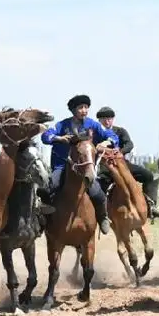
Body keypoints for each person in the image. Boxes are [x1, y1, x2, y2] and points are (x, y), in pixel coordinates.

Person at [40, 94, 119, 234]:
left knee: (97, 193)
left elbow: (112, 136)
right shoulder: (62, 125)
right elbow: (45, 136)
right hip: (62, 165)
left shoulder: (93, 125)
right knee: (52, 186)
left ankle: (102, 218)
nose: (84, 110)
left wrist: (105, 143)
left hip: (85, 167)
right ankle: (43, 219)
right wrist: (59, 138)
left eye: (86, 107)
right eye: (80, 108)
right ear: (73, 110)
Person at [95, 106, 159, 220]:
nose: (107, 121)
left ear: (113, 119)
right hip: (104, 167)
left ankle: (151, 206)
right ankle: (102, 214)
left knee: (149, 176)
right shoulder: (96, 134)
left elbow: (129, 144)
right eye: (104, 119)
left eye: (110, 118)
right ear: (99, 120)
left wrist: (121, 152)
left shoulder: (120, 131)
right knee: (99, 184)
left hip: (123, 164)